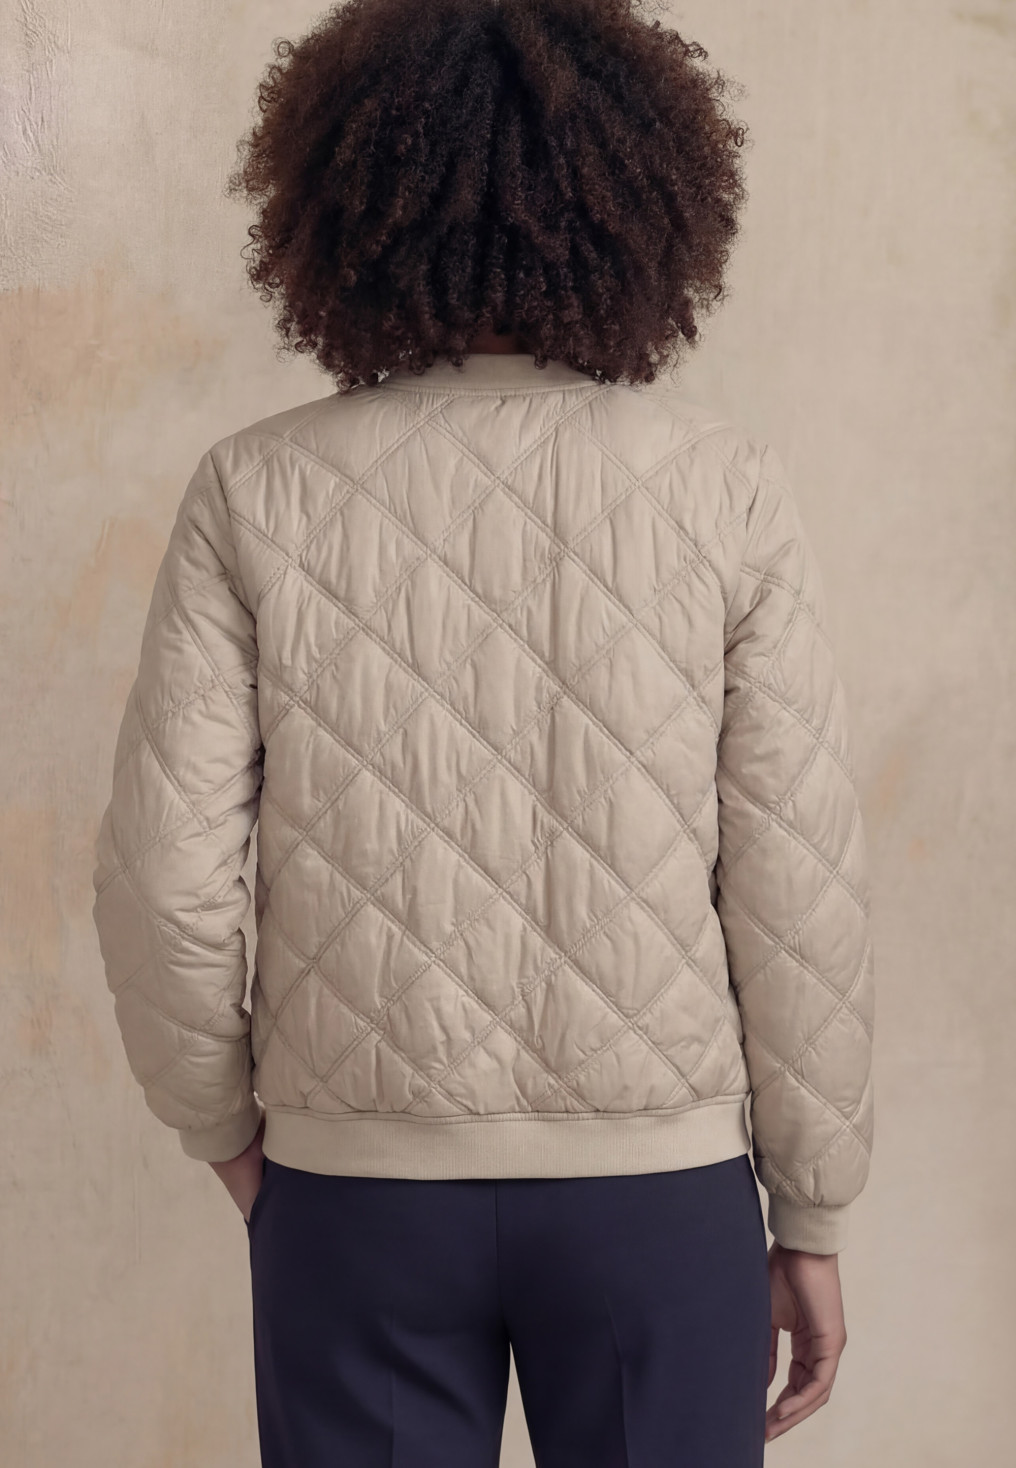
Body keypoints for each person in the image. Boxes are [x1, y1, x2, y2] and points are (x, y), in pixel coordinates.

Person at [90, 1, 875, 1463]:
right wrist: (815, 1206)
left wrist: (235, 1143)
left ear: (346, 209)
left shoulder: (255, 487)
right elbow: (799, 889)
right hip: (660, 1194)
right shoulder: (726, 489)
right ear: (645, 206)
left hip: (354, 1196)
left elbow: (163, 879)